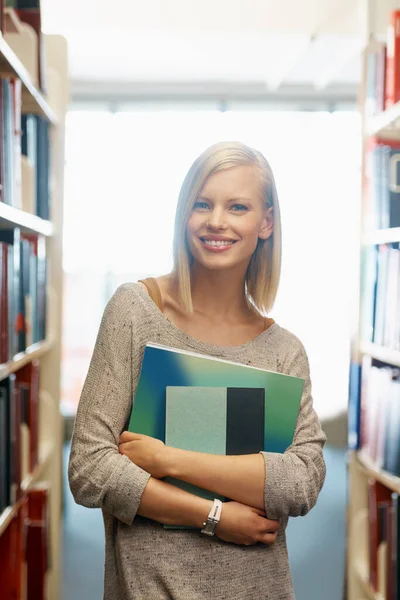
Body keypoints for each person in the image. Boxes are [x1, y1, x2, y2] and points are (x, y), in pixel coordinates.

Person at [68, 141, 326, 600]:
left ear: (266, 222)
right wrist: (215, 517)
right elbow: (90, 469)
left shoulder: (284, 350)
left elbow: (302, 481)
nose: (217, 221)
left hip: (257, 588)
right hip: (152, 587)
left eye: (238, 206)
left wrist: (169, 461)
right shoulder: (135, 311)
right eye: (202, 204)